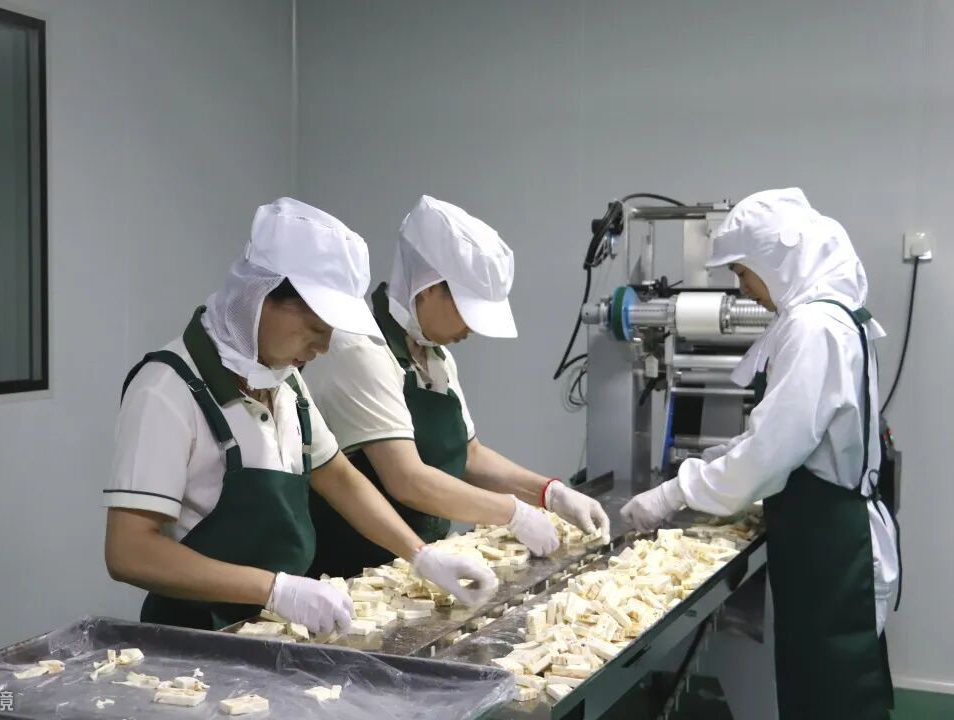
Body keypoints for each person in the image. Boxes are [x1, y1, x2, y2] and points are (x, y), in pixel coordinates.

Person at [104, 198, 498, 634]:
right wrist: (275, 590)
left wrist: (419, 554)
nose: (324, 348)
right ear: (262, 296)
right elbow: (129, 552)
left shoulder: (285, 382)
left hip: (273, 630)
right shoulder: (167, 388)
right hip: (196, 639)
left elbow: (339, 477)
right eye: (316, 329)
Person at [621, 188, 900, 719]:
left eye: (744, 274)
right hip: (822, 542)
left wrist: (674, 492)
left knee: (833, 699)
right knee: (818, 691)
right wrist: (716, 459)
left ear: (775, 260)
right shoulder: (824, 316)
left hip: (833, 551)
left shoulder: (814, 328)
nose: (744, 289)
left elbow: (769, 457)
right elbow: (780, 433)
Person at [305, 195, 611, 579]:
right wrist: (512, 513)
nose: (472, 329)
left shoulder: (436, 358)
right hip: (353, 573)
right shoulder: (361, 350)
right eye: (468, 310)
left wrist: (550, 492)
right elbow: (406, 479)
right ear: (428, 288)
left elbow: (470, 455)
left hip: (417, 564)